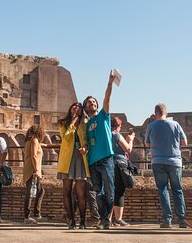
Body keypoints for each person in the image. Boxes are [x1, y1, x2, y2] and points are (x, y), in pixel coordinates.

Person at [145, 103, 188, 228]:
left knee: (163, 189)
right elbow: (184, 142)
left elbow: (147, 144)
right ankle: (181, 220)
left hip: (158, 161)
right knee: (177, 190)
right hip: (175, 161)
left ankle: (167, 220)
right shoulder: (175, 125)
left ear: (155, 113)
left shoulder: (151, 126)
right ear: (166, 113)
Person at [84, 71, 117, 229]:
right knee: (98, 192)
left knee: (110, 191)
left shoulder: (104, 115)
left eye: (93, 102)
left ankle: (107, 218)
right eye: (89, 103)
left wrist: (109, 84)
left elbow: (107, 98)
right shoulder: (86, 125)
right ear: (86, 107)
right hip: (92, 161)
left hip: (106, 158)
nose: (92, 104)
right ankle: (105, 219)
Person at [57, 102, 90, 229]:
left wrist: (85, 147)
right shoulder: (63, 123)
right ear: (70, 108)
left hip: (80, 158)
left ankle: (82, 220)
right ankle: (71, 220)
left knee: (81, 192)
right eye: (74, 106)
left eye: (79, 107)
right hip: (67, 159)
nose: (76, 108)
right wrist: (74, 121)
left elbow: (87, 139)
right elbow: (65, 138)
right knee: (67, 190)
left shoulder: (85, 124)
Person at [110, 116, 134, 227]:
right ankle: (118, 219)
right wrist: (131, 140)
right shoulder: (116, 134)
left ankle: (108, 219)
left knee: (109, 191)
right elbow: (128, 149)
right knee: (119, 191)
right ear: (119, 126)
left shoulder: (106, 135)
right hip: (119, 165)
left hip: (108, 164)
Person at [22, 124, 45, 224]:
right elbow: (34, 156)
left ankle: (36, 214)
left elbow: (37, 148)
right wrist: (36, 171)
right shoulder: (34, 140)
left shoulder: (30, 141)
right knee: (31, 193)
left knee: (39, 191)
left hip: (29, 169)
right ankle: (28, 216)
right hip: (32, 170)